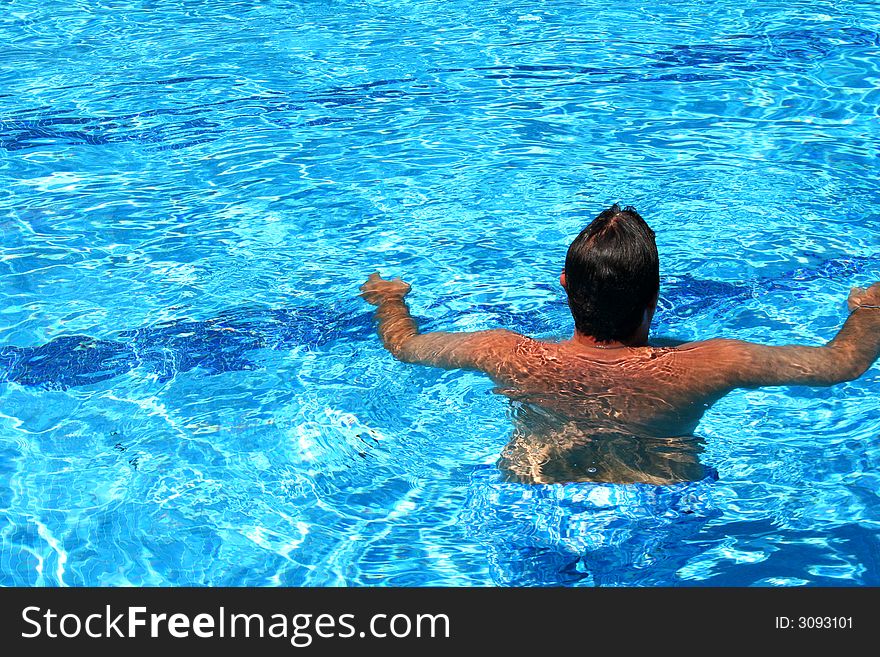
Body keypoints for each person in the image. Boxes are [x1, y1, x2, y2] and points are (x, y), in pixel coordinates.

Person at [359, 204, 880, 485]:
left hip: (538, 489)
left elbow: (405, 347)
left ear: (563, 283)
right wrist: (870, 307)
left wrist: (389, 300)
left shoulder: (504, 352)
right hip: (658, 499)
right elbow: (843, 362)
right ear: (655, 297)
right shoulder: (711, 363)